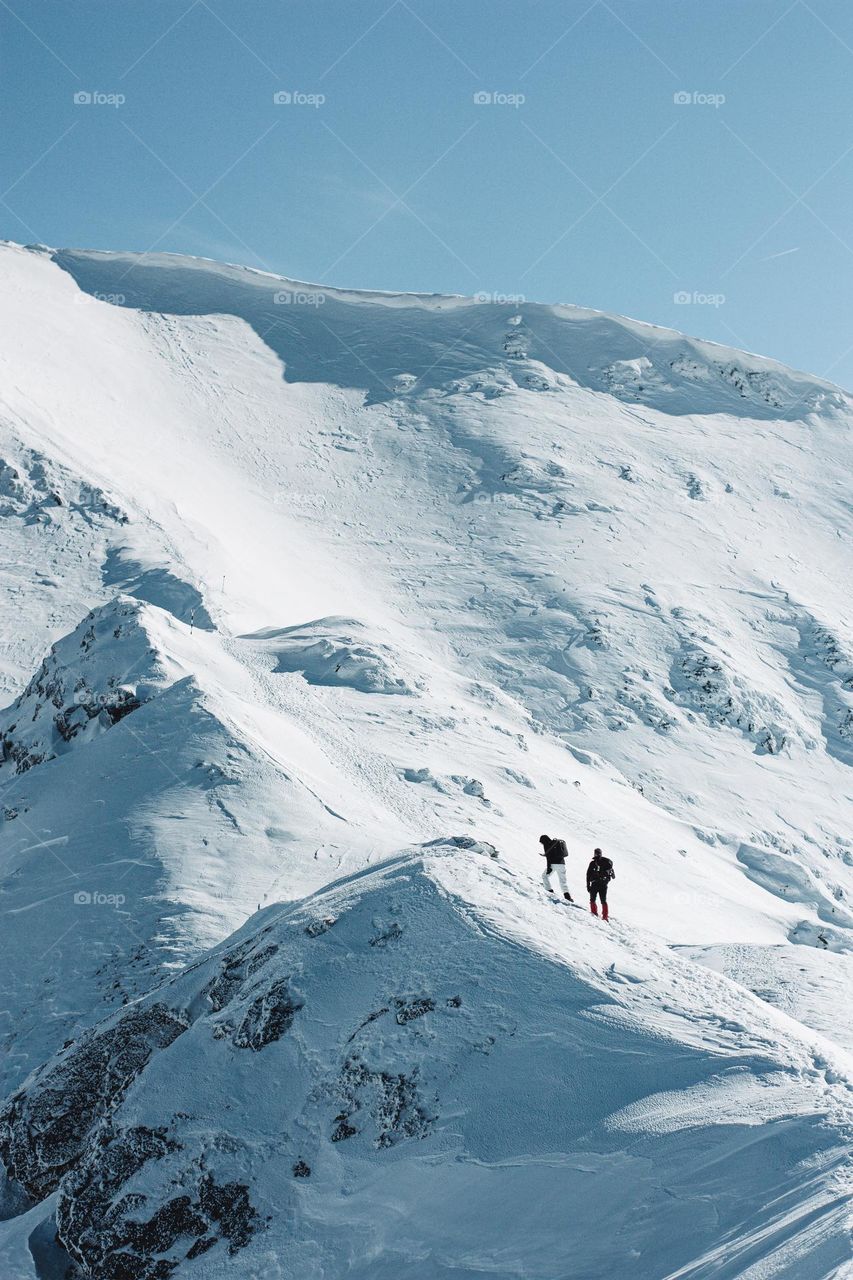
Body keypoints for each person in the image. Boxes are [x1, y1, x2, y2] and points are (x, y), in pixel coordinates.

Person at [539, 834, 573, 902]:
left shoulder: (547, 844)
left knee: (544, 876)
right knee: (563, 881)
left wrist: (549, 868)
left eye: (541, 842)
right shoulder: (556, 843)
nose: (542, 844)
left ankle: (549, 891)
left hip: (553, 864)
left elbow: (548, 858)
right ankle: (567, 896)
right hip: (562, 864)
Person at [586, 848, 614, 920]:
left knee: (592, 899)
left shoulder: (593, 863)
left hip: (595, 883)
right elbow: (612, 875)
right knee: (603, 900)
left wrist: (588, 885)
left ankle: (594, 913)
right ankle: (605, 917)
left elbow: (588, 875)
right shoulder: (606, 862)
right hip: (603, 884)